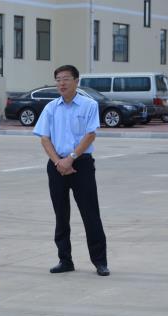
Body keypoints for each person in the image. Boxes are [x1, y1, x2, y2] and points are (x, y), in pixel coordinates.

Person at [33, 64, 109, 277]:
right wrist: (58, 161)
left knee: (90, 213)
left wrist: (71, 159)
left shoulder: (88, 105)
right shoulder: (51, 108)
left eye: (66, 79)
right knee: (61, 214)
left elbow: (90, 135)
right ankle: (64, 260)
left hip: (81, 164)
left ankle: (100, 262)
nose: (61, 83)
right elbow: (44, 138)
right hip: (56, 165)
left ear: (76, 81)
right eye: (58, 79)